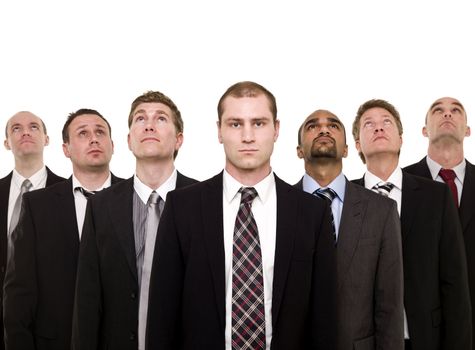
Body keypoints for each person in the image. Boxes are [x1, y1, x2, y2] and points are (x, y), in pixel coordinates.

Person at [146, 81, 336, 350]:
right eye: (235, 124)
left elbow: (324, 321)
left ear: (276, 129)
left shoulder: (312, 213)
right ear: (220, 131)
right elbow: (162, 317)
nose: (248, 136)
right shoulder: (181, 207)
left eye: (258, 123)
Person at [72, 91, 197, 350]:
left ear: (179, 140)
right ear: (129, 141)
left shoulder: (203, 202)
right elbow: (87, 299)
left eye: (161, 118)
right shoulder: (101, 206)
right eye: (140, 118)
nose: (149, 124)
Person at [352, 99, 471, 350]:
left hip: (424, 337)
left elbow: (454, 283)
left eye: (387, 122)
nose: (378, 128)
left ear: (401, 138)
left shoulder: (436, 197)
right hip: (360, 341)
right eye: (368, 124)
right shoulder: (345, 196)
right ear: (356, 144)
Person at [3, 109, 121, 350]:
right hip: (55, 341)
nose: (94, 138)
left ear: (113, 144)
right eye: (83, 133)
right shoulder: (37, 205)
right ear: (66, 149)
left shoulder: (134, 198)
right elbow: (19, 292)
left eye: (100, 132)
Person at [295, 109, 403, 349]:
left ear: (346, 149)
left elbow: (389, 306)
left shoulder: (381, 210)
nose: (323, 129)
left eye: (333, 126)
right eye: (312, 126)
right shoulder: (279, 205)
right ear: (299, 150)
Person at [404, 96, 475, 349]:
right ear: (424, 130)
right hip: (416, 331)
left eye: (456, 110)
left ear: (467, 130)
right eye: (438, 110)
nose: (447, 114)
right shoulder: (399, 182)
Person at [0, 111, 64, 350]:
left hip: (50, 322)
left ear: (47, 139)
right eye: (16, 128)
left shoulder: (68, 192)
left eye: (33, 127)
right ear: (7, 143)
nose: (25, 131)